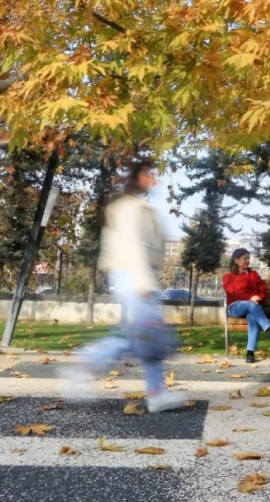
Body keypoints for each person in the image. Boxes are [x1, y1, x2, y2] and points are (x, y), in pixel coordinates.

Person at [63, 161, 188, 413]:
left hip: (133, 275)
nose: (155, 181)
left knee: (145, 335)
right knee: (142, 335)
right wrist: (143, 282)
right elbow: (133, 246)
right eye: (151, 176)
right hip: (133, 275)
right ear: (138, 177)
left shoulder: (135, 206)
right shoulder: (129, 208)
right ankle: (83, 366)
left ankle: (156, 393)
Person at [223, 248, 270, 363]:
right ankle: (269, 328)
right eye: (245, 258)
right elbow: (233, 293)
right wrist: (250, 298)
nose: (248, 261)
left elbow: (262, 290)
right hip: (235, 308)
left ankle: (250, 353)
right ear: (236, 260)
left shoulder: (254, 274)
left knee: (252, 317)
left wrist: (259, 297)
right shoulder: (228, 276)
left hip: (254, 307)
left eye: (249, 258)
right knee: (251, 305)